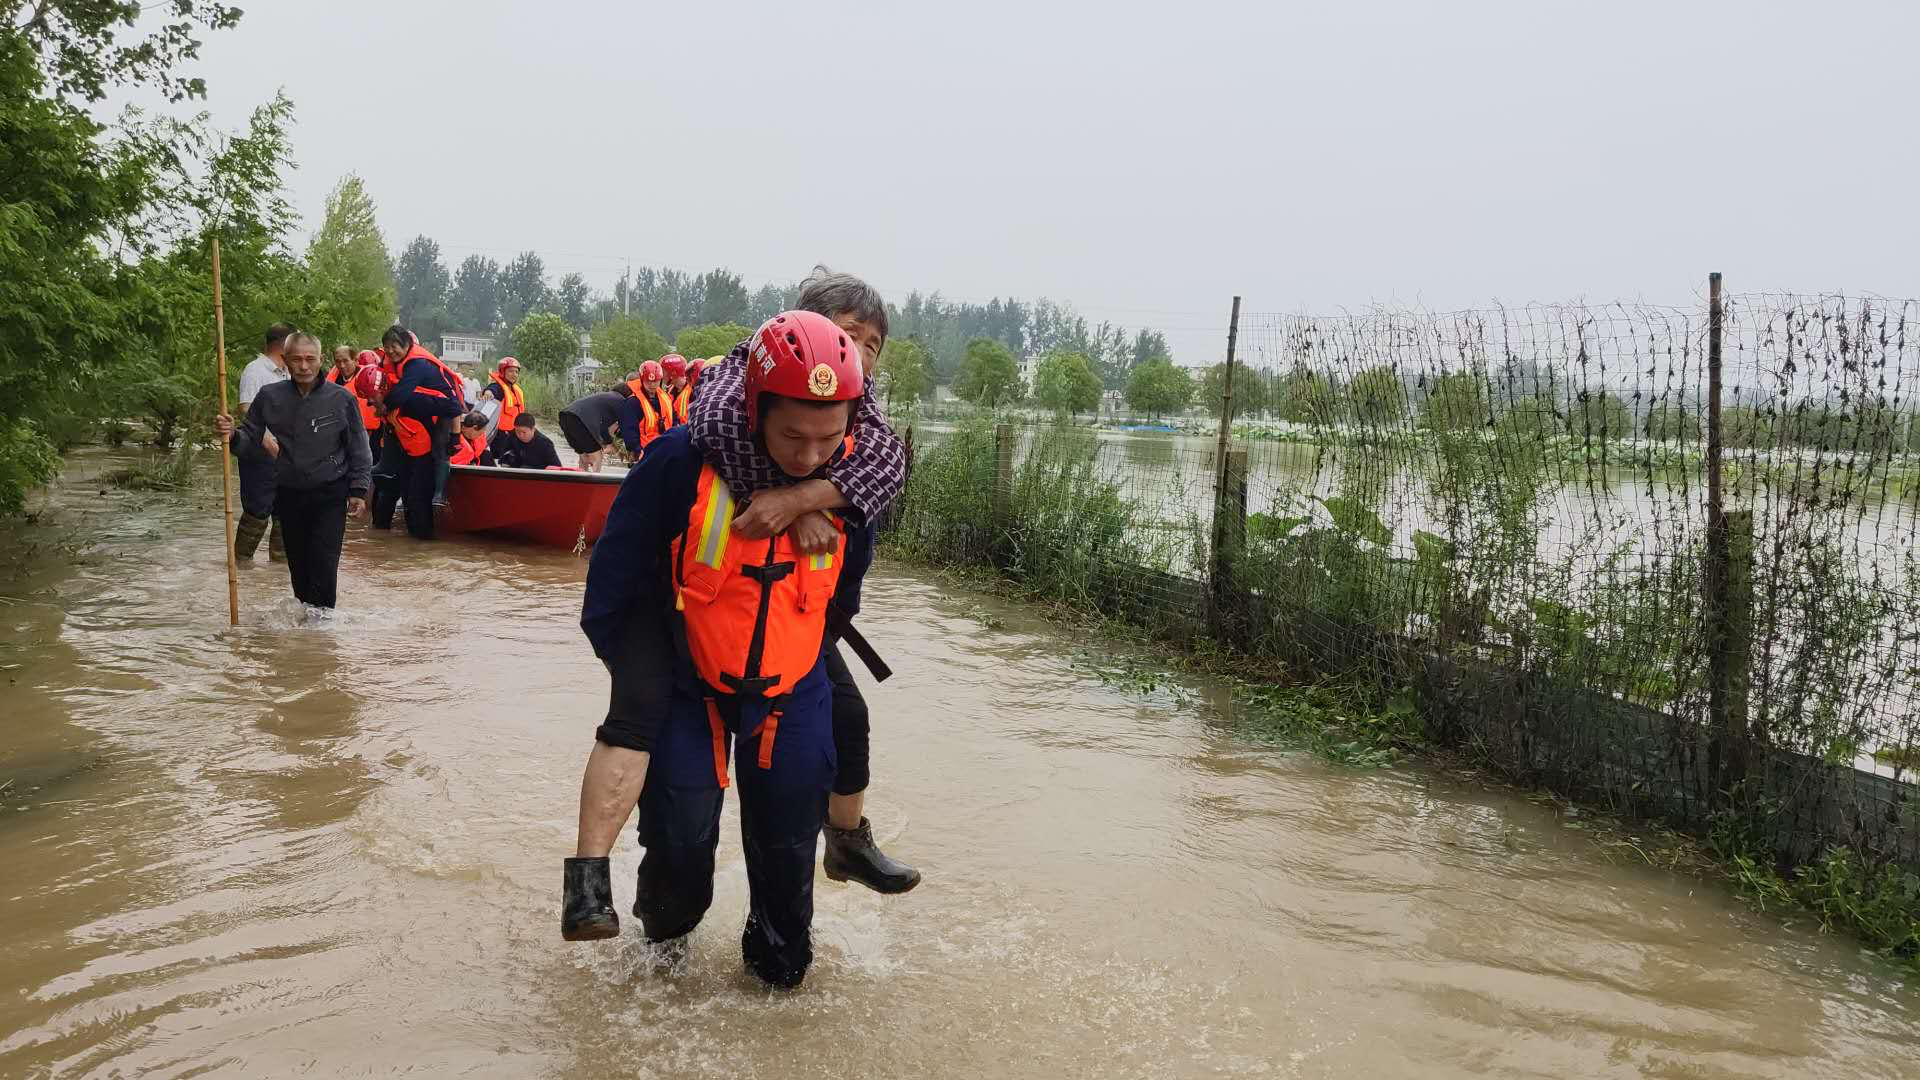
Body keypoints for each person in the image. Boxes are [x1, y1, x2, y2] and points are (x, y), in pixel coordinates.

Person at [564, 311, 872, 989]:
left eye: (828, 436)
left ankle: (777, 984)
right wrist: (641, 677)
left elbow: (844, 593)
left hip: (791, 688)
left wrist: (803, 654)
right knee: (677, 849)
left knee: (789, 868)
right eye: (792, 434)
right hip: (687, 683)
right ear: (756, 407)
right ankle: (659, 967)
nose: (810, 454)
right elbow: (612, 581)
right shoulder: (680, 459)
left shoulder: (854, 479)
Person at [683, 266, 919, 894]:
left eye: (873, 342)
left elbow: (889, 461)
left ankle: (843, 841)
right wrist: (797, 497)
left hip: (811, 619)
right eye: (849, 334)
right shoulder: (742, 378)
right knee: (703, 786)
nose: (861, 354)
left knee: (847, 723)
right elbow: (716, 427)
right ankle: (686, 880)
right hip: (725, 626)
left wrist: (805, 498)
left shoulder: (857, 405)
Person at [214, 332, 372, 610]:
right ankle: (304, 634)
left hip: (330, 493)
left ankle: (322, 635)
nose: (304, 366)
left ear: (320, 360)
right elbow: (250, 440)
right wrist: (232, 435)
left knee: (323, 564)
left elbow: (359, 446)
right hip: (289, 492)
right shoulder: (270, 396)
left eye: (310, 359)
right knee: (298, 568)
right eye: (296, 359)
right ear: (285, 361)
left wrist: (359, 490)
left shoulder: (341, 399)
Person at [379, 325, 466, 538]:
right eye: (387, 348)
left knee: (421, 488)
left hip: (441, 419)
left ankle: (432, 514)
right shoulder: (397, 367)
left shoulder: (417, 365)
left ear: (408, 345)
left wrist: (382, 407)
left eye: (395, 347)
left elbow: (400, 395)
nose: (391, 352)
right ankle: (415, 538)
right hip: (414, 433)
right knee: (409, 491)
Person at [233, 323, 293, 562]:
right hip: (259, 451)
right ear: (282, 346)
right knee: (258, 511)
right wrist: (267, 442)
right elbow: (246, 409)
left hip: (286, 453)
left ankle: (278, 571)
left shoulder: (288, 373)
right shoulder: (255, 370)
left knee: (284, 512)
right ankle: (241, 564)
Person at [556, 388, 642, 472]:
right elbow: (626, 429)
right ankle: (594, 484)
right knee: (597, 457)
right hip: (580, 420)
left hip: (565, 416)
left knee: (584, 457)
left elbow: (603, 428)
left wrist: (610, 443)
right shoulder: (622, 401)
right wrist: (630, 450)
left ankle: (581, 481)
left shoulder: (609, 398)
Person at [329, 347, 383, 460]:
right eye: (338, 361)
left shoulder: (368, 379)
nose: (342, 365)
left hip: (370, 434)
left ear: (355, 360)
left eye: (346, 360)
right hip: (340, 435)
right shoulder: (331, 381)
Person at [618, 359, 676, 454]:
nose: (652, 385)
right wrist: (637, 449)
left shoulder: (666, 399)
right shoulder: (633, 402)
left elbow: (674, 420)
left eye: (655, 381)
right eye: (648, 381)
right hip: (645, 451)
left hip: (666, 447)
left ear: (660, 380)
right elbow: (629, 429)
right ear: (641, 379)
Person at [488, 412, 563, 470]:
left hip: (538, 475)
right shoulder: (512, 436)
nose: (520, 435)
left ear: (533, 429)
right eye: (517, 431)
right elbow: (503, 457)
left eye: (524, 432)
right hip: (517, 472)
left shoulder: (545, 444)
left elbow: (557, 467)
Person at [480, 357, 525, 435]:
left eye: (516, 372)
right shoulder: (499, 387)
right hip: (500, 434)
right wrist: (488, 393)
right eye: (510, 371)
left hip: (515, 432)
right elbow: (493, 389)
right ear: (502, 372)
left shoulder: (516, 389)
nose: (514, 374)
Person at [661, 354, 691, 425]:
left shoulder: (692, 390)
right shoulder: (670, 390)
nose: (662, 375)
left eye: (664, 371)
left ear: (673, 372)